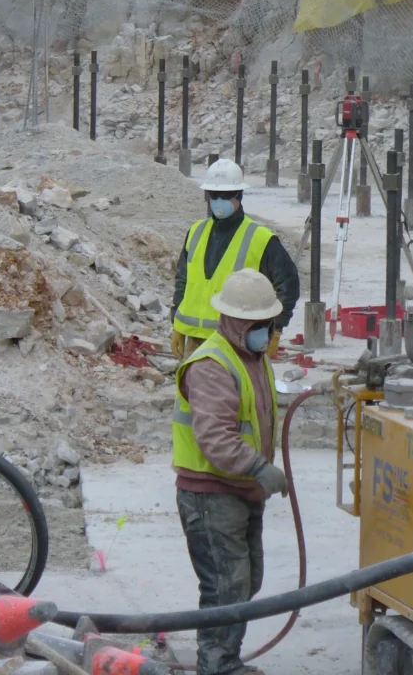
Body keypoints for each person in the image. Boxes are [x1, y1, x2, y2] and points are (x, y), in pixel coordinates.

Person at [173, 268, 289, 675]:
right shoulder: (211, 365)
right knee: (225, 585)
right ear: (237, 322)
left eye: (269, 323)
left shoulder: (253, 359)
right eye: (259, 325)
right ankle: (217, 665)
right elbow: (216, 438)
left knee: (244, 581)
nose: (267, 332)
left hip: (239, 491)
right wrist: (259, 467)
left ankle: (225, 659)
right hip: (211, 494)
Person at [170, 159, 300, 362]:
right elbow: (183, 281)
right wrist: (176, 324)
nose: (218, 201)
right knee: (193, 393)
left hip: (237, 343)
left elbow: (288, 284)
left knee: (235, 393)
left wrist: (276, 328)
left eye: (226, 195)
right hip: (195, 342)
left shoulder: (260, 238)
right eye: (214, 195)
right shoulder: (196, 232)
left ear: (239, 195)